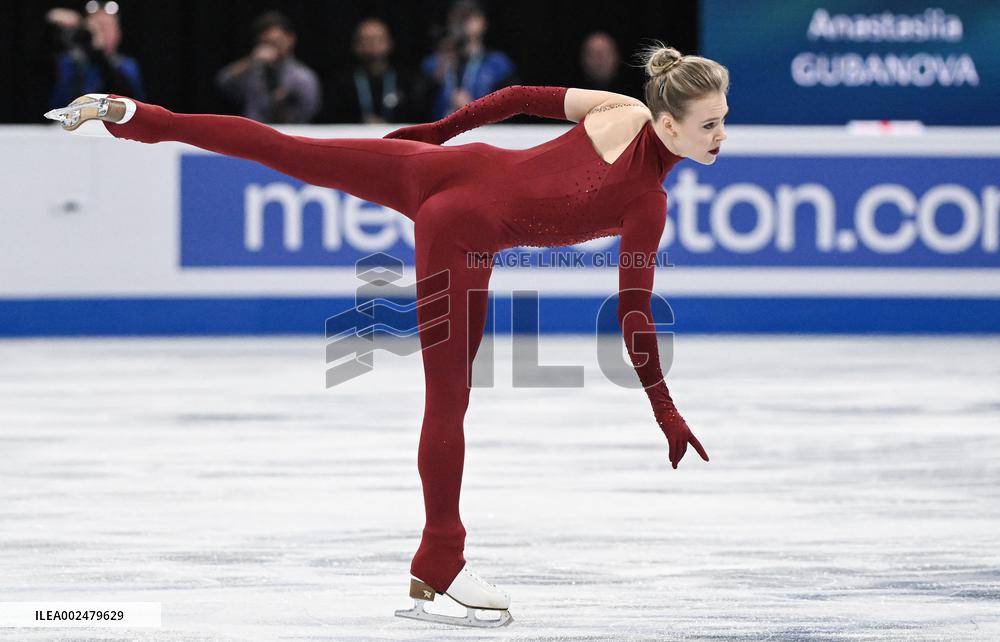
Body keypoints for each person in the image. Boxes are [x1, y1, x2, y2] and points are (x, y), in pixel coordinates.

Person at [45, 42, 724, 629]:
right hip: (464, 230)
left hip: (446, 169)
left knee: (288, 149)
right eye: (710, 124)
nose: (721, 134)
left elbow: (517, 97)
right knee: (449, 401)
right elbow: (633, 313)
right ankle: (441, 560)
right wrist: (664, 408)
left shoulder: (622, 108)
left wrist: (436, 134)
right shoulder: (648, 200)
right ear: (668, 122)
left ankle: (132, 116)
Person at [414, 0, 518, 121]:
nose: (463, 22)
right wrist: (435, 77)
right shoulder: (433, 63)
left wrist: (479, 110)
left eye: (469, 16)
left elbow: (513, 108)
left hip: (485, 133)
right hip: (440, 133)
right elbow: (414, 108)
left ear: (483, 23)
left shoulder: (498, 64)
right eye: (458, 16)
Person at [215, 10, 321, 124]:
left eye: (276, 41)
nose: (272, 47)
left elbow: (310, 110)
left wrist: (285, 100)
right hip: (254, 132)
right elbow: (224, 82)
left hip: (290, 133)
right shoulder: (252, 71)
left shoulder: (302, 76)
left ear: (290, 39)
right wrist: (251, 60)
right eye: (266, 42)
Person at [47, 2, 145, 110]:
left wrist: (99, 53)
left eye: (106, 26)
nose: (100, 32)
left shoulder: (126, 65)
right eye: (96, 26)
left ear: (118, 33)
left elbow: (129, 102)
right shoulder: (70, 62)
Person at [322, 18, 411, 124]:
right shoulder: (341, 82)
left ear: (390, 43)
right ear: (356, 45)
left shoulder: (407, 80)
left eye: (378, 39)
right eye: (367, 40)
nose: (373, 45)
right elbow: (330, 117)